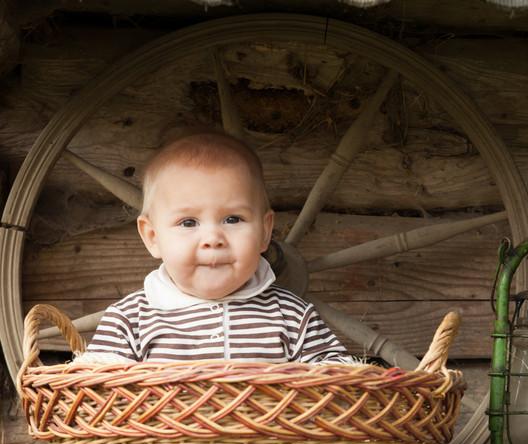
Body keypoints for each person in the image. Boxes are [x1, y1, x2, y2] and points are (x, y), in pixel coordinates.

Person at [83, 132, 354, 364]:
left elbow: (337, 385)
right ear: (153, 237)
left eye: (232, 219)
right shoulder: (130, 320)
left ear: (264, 231)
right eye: (188, 222)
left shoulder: (292, 315)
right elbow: (95, 395)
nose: (213, 238)